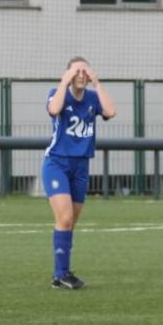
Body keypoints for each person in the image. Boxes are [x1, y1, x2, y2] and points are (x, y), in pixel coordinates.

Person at [42, 57, 116, 289]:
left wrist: (97, 82)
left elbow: (111, 111)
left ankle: (61, 274)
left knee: (70, 222)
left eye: (85, 71)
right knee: (64, 218)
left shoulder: (93, 98)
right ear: (68, 75)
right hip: (57, 164)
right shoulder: (57, 93)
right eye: (77, 71)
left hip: (81, 166)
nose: (81, 75)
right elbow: (54, 110)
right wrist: (65, 81)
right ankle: (61, 273)